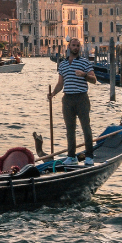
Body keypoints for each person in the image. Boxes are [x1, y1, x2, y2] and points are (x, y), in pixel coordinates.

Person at [50, 37, 98, 165]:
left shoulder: (85, 63)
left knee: (86, 128)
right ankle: (71, 156)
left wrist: (84, 75)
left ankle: (89, 156)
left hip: (81, 97)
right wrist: (53, 93)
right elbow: (60, 84)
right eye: (74, 45)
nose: (76, 47)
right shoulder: (63, 64)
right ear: (69, 47)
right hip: (67, 99)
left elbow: (94, 80)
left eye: (78, 46)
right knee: (70, 129)